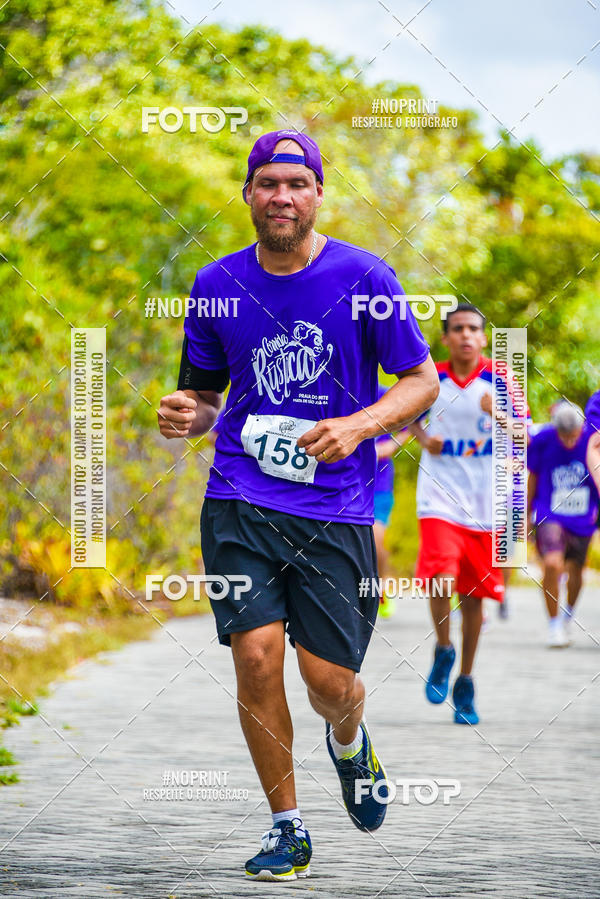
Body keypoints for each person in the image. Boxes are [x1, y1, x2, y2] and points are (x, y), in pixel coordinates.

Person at [157, 130, 439, 882]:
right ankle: (288, 828)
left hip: (334, 509)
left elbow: (421, 381)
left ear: (318, 194)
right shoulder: (215, 283)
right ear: (248, 193)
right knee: (255, 659)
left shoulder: (364, 276)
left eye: (296, 183)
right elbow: (206, 397)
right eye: (268, 183)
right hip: (239, 498)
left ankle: (350, 741)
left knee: (329, 684)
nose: (282, 196)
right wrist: (188, 414)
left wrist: (359, 425)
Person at [408, 303, 527, 725]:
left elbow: (525, 433)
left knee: (474, 599)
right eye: (457, 328)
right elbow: (405, 417)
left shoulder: (503, 378)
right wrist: (423, 438)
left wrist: (497, 414)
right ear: (445, 338)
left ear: (483, 337)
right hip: (439, 496)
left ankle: (466, 681)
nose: (465, 335)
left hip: (485, 503)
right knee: (440, 577)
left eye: (473, 329)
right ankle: (444, 648)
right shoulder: (430, 377)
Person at [527, 401, 599, 647]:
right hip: (550, 513)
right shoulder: (543, 440)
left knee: (576, 571)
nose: (569, 441)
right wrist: (526, 515)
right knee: (552, 563)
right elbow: (533, 477)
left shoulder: (592, 439)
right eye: (564, 436)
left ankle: (568, 613)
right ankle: (554, 624)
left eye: (573, 436)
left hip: (583, 517)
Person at [373, 384, 410, 619]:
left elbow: (409, 427)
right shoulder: (339, 388)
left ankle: (381, 586)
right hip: (344, 483)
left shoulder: (386, 393)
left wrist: (390, 446)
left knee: (376, 538)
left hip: (379, 484)